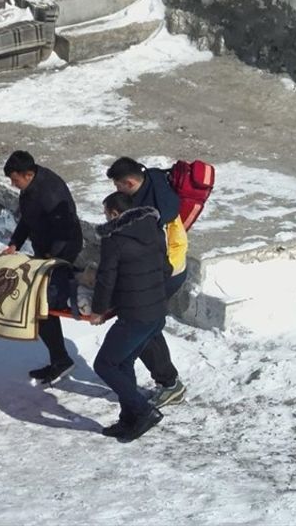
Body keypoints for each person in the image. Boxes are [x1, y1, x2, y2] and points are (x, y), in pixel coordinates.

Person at [107, 157, 189, 408]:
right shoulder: (152, 177)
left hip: (166, 272)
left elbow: (149, 252)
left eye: (120, 187)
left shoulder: (153, 211)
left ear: (130, 182)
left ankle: (169, 383)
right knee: (145, 327)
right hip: (169, 267)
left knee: (141, 326)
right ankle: (167, 381)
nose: (117, 192)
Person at [89, 191, 170, 442]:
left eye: (106, 213)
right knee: (123, 363)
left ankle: (144, 411)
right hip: (156, 313)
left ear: (114, 213)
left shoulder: (114, 239)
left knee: (104, 364)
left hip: (134, 315)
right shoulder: (155, 230)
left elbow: (106, 279)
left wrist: (98, 310)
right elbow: (166, 268)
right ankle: (129, 418)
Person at [1, 150, 84, 385]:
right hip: (45, 247)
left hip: (62, 248)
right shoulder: (30, 189)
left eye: (15, 180)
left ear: (28, 174)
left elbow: (65, 231)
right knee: (41, 305)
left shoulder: (51, 193)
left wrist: (50, 258)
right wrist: (15, 243)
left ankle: (61, 359)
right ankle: (59, 358)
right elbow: (27, 219)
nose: (13, 184)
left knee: (43, 302)